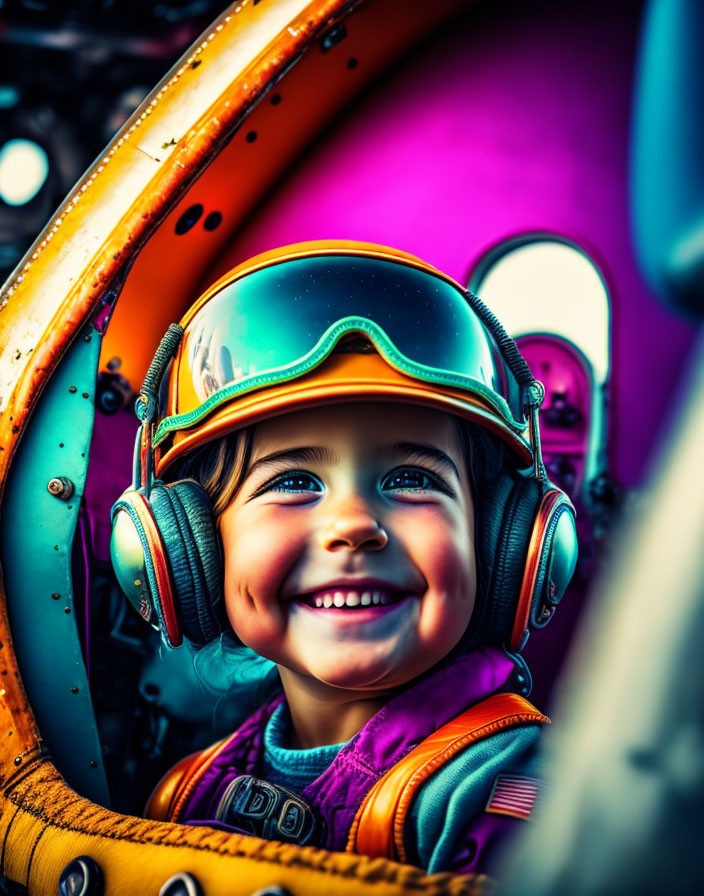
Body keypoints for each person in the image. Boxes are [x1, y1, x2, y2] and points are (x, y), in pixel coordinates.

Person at [110, 240, 577, 875]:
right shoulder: (184, 794)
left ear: (503, 545)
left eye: (412, 479)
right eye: (292, 482)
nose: (354, 525)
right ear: (192, 551)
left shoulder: (516, 804)